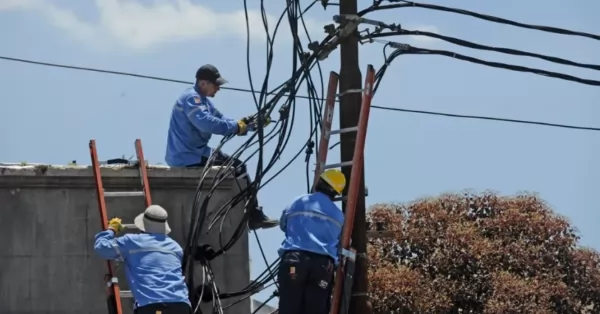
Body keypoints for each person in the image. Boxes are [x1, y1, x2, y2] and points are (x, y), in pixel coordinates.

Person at [165, 64, 278, 230]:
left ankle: (251, 212)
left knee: (237, 167)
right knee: (238, 168)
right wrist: (236, 127)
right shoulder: (192, 99)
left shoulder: (204, 102)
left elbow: (223, 120)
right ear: (203, 83)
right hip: (188, 155)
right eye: (215, 84)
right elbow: (206, 123)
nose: (218, 88)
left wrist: (250, 125)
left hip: (195, 152)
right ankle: (253, 214)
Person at [93, 205, 191, 314]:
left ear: (143, 225)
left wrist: (111, 229)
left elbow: (102, 247)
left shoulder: (133, 242)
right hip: (182, 305)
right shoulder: (175, 247)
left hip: (153, 306)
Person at [277, 169, 347, 314]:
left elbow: (284, 225)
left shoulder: (298, 202)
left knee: (289, 307)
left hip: (295, 259)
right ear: (335, 193)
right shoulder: (339, 216)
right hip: (322, 266)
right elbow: (340, 240)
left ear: (319, 182)